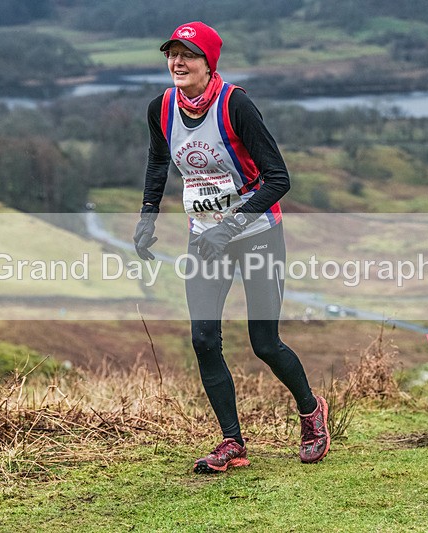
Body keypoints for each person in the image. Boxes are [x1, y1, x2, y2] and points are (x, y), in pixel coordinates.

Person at [132, 21, 329, 473]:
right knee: (203, 339)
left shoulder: (235, 104)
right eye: (172, 54)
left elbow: (279, 177)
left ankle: (311, 412)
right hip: (204, 238)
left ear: (208, 63)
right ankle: (232, 442)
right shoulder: (160, 107)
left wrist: (232, 225)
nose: (177, 63)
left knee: (264, 342)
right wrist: (147, 215)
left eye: (188, 55)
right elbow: (159, 159)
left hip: (257, 235)